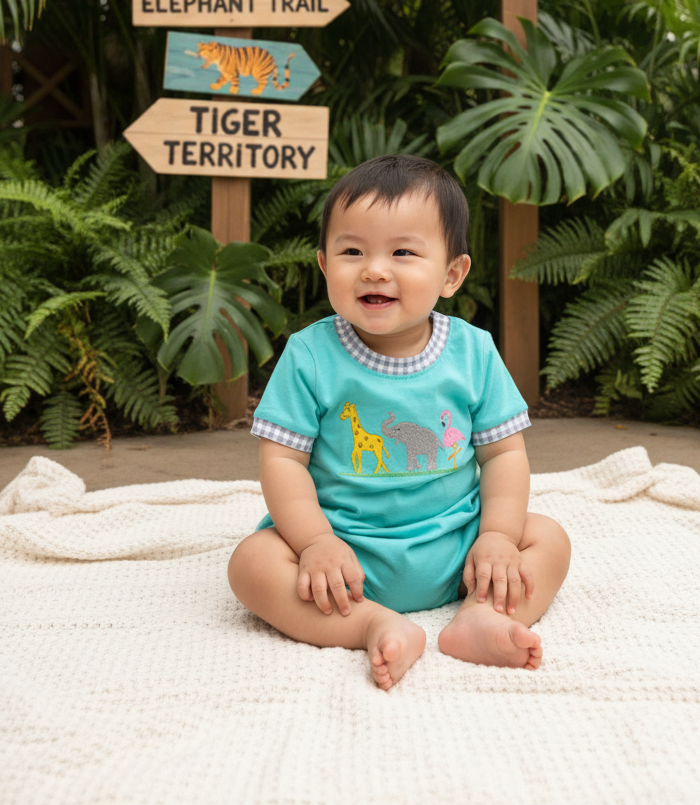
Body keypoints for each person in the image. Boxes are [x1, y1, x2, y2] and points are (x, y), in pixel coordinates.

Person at [228, 155, 571, 690]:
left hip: (459, 545)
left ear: (452, 274)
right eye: (352, 251)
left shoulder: (474, 352)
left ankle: (484, 614)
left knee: (548, 538)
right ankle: (371, 624)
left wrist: (498, 537)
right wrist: (316, 542)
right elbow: (282, 459)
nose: (375, 269)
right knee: (251, 563)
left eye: (403, 252)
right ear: (324, 265)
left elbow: (504, 454)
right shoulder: (309, 355)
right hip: (344, 555)